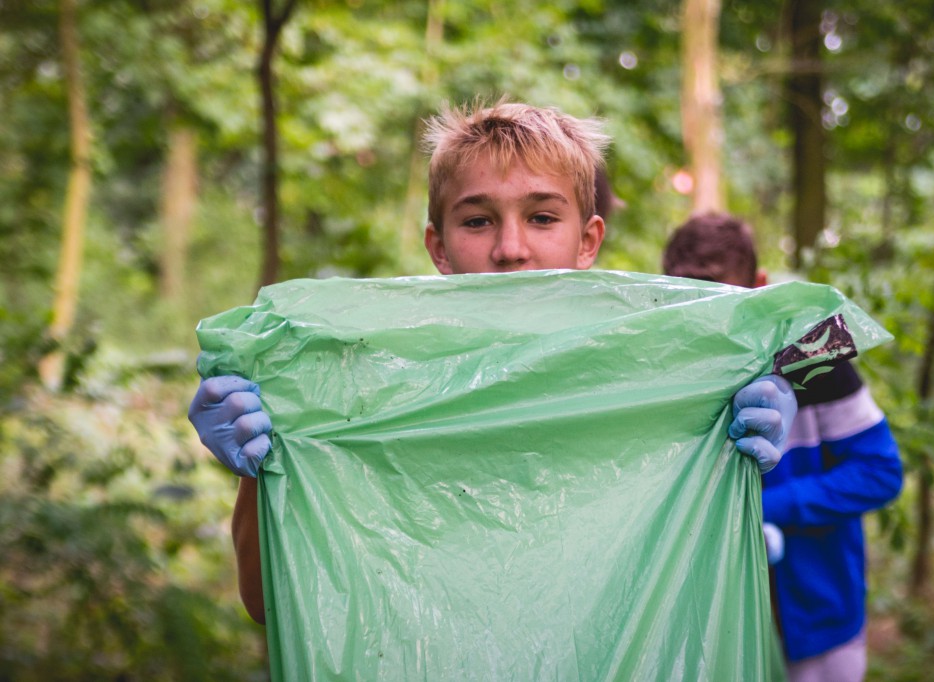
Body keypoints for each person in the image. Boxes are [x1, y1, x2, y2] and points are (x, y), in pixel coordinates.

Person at [189, 102, 798, 625]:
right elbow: (270, 600)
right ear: (440, 247)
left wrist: (729, 431)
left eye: (542, 217)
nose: (511, 250)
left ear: (587, 240)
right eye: (478, 221)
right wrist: (265, 464)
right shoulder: (371, 384)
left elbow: (688, 595)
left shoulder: (646, 379)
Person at [662, 212, 903, 682]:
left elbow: (879, 472)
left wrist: (766, 508)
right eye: (692, 305)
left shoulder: (816, 358)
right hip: (713, 631)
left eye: (728, 304)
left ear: (761, 284)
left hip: (818, 622)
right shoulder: (666, 374)